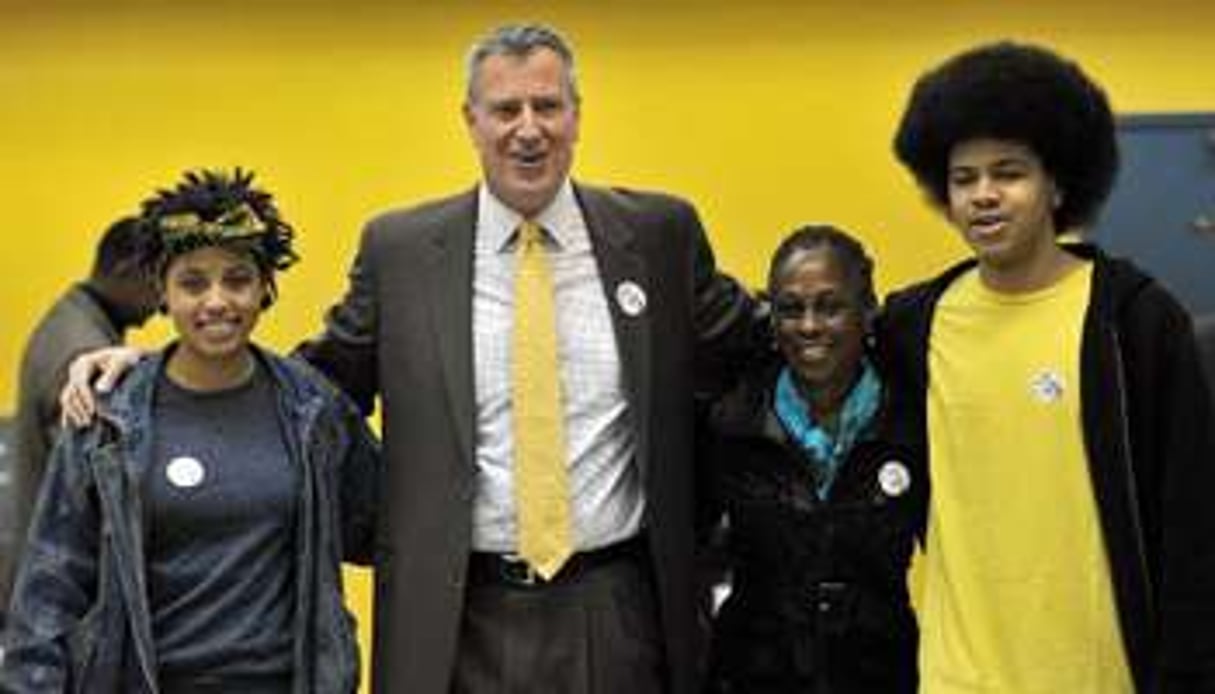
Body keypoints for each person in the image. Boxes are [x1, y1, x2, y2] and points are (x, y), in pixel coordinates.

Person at [60, 24, 755, 694]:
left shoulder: (658, 235)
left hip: (619, 605)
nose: (527, 128)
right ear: (470, 120)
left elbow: (751, 341)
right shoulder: (401, 252)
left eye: (547, 106)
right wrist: (158, 370)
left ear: (576, 114)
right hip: (455, 615)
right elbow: (309, 386)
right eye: (504, 109)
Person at [884, 41, 1215, 692]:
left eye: (1007, 173)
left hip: (1098, 675)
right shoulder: (911, 325)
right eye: (963, 178)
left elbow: (1191, 524)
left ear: (1057, 183)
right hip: (957, 676)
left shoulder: (1136, 323)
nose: (982, 195)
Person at [2, 169, 379, 693]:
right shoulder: (108, 418)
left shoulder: (315, 409)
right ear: (163, 290)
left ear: (265, 287)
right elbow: (50, 588)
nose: (217, 301)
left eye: (238, 278)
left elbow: (387, 530)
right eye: (193, 282)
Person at [700, 225, 923, 694]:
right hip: (752, 672)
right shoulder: (730, 420)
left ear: (867, 313)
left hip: (880, 673)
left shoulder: (911, 422)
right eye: (790, 309)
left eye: (831, 306)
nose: (809, 326)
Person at [3, 215, 159, 617]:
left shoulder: (70, 321)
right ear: (127, 271)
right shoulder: (81, 353)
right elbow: (88, 494)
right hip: (57, 589)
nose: (161, 305)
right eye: (157, 283)